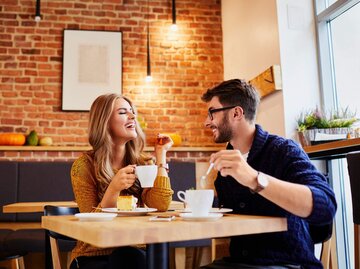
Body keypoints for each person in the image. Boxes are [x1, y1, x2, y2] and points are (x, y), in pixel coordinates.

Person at [201, 79, 337, 269]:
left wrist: (255, 179)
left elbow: (326, 207)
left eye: (212, 113)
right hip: (241, 263)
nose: (207, 122)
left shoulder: (283, 150)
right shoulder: (226, 166)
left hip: (288, 263)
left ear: (236, 113)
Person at [69, 93, 174, 269]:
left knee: (134, 255)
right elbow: (91, 229)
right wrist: (114, 189)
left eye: (132, 112)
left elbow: (161, 205)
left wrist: (161, 155)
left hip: (136, 251)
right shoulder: (84, 166)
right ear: (104, 122)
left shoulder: (143, 162)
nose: (132, 116)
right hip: (94, 256)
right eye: (123, 112)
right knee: (129, 256)